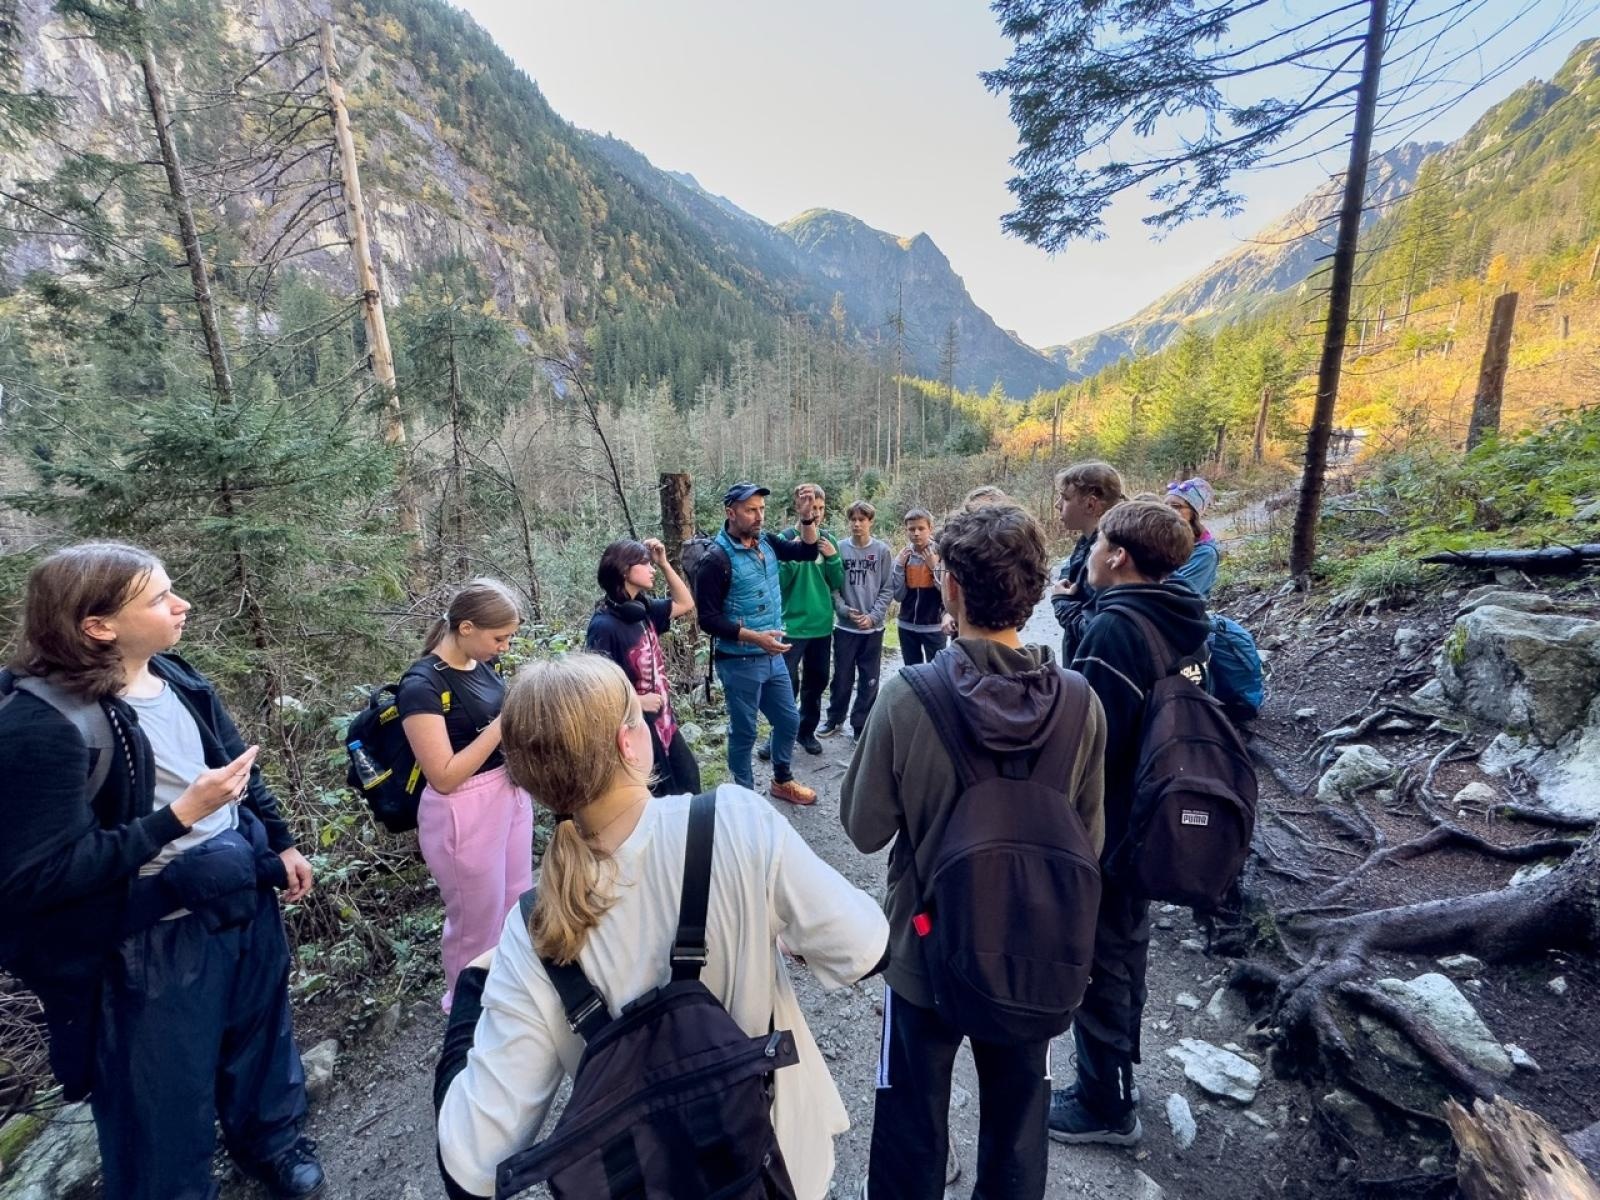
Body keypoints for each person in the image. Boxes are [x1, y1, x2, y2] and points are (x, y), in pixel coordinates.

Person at [433, 653, 891, 1200]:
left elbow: (473, 1163)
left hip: (653, 1181)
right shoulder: (735, 821)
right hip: (778, 1163)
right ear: (629, 743)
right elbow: (865, 948)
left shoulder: (533, 928)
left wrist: (472, 991)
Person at [0, 543, 323, 1200]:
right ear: (97, 626)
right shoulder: (43, 724)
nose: (182, 605)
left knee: (261, 1043)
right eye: (158, 599)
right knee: (159, 1105)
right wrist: (179, 816)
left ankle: (274, 1147)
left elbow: (237, 763)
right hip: (148, 943)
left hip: (239, 897)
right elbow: (39, 875)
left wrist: (283, 842)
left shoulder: (174, 674)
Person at [842, 505, 1107, 1200]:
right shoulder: (1082, 704)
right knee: (1020, 1122)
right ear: (1038, 588)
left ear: (950, 587)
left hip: (925, 948)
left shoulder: (908, 696)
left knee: (910, 1121)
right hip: (1037, 954)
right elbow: (1091, 840)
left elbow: (864, 828)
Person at [1049, 501, 1210, 1147]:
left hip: (1113, 821)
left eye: (1098, 542)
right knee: (1123, 948)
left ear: (1117, 555)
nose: (1089, 551)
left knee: (1105, 956)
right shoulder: (1182, 616)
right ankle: (1108, 1084)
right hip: (1155, 812)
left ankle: (1105, 1103)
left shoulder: (1117, 630)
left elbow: (1087, 742)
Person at [400, 578, 529, 1011]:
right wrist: (503, 725)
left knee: (515, 899)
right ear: (467, 627)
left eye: (509, 638)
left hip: (507, 795)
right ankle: (466, 1006)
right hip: (462, 810)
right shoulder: (421, 686)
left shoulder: (482, 666)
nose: (505, 648)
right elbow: (444, 775)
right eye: (500, 638)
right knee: (476, 919)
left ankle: (509, 987)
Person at [691, 481, 823, 805]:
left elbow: (807, 551)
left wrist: (807, 520)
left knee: (789, 720)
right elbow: (707, 619)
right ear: (730, 512)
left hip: (771, 656)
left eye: (761, 509)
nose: (759, 516)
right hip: (739, 661)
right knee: (745, 731)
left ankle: (782, 780)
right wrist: (754, 638)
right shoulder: (716, 560)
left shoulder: (767, 542)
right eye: (751, 510)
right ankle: (743, 795)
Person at [586, 537, 700, 796]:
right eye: (645, 564)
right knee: (659, 796)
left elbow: (686, 603)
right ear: (625, 570)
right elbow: (594, 689)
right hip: (636, 728)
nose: (651, 570)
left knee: (688, 780)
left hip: (664, 722)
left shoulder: (642, 609)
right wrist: (637, 701)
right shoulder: (604, 626)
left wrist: (663, 563)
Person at [775, 483, 844, 756]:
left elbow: (837, 582)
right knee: (785, 685)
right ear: (798, 507)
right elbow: (779, 583)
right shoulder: (785, 538)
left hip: (821, 626)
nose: (815, 513)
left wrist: (833, 558)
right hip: (791, 626)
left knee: (816, 681)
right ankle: (780, 735)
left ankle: (806, 732)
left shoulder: (829, 540)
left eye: (820, 508)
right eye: (811, 507)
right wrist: (794, 555)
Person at [820, 499, 894, 740]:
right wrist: (842, 609)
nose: (856, 524)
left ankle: (861, 724)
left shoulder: (881, 551)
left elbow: (887, 588)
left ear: (871, 521)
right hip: (845, 628)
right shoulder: (839, 548)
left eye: (862, 520)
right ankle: (834, 719)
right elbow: (832, 586)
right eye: (853, 519)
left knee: (869, 679)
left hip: (872, 630)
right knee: (841, 677)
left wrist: (873, 617)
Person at [1051, 461, 1125, 665]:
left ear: (1091, 504)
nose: (1058, 505)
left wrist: (1061, 603)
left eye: (1065, 498)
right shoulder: (1087, 542)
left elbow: (1094, 631)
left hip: (1096, 674)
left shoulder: (1106, 559)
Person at [891, 507, 946, 666]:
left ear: (930, 529)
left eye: (921, 528)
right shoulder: (903, 556)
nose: (916, 533)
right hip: (906, 626)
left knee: (937, 673)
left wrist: (934, 567)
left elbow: (946, 592)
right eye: (911, 529)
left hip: (934, 627)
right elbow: (898, 596)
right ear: (906, 531)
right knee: (912, 672)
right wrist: (900, 567)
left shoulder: (941, 553)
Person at [1165, 477, 1219, 598]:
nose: (1168, 510)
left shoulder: (1204, 554)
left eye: (1176, 506)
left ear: (1194, 513)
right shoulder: (1162, 540)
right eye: (1164, 505)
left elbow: (1180, 597)